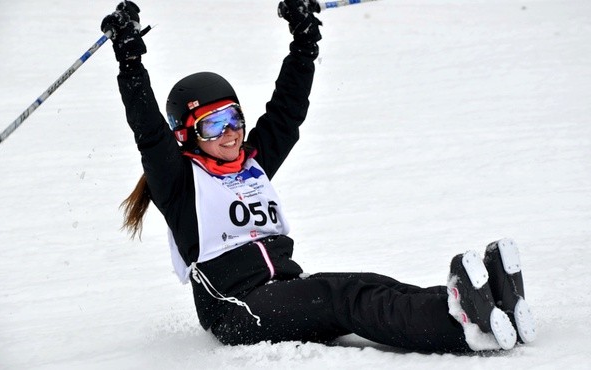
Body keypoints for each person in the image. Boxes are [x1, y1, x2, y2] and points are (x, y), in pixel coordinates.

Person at [101, 0, 536, 353]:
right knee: (341, 297)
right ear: (187, 135)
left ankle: (481, 306)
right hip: (237, 311)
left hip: (281, 289)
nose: (231, 133)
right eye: (213, 125)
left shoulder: (251, 165)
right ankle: (459, 330)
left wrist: (303, 43)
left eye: (234, 118)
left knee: (371, 284)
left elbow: (286, 113)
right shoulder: (180, 184)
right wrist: (129, 58)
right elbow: (148, 131)